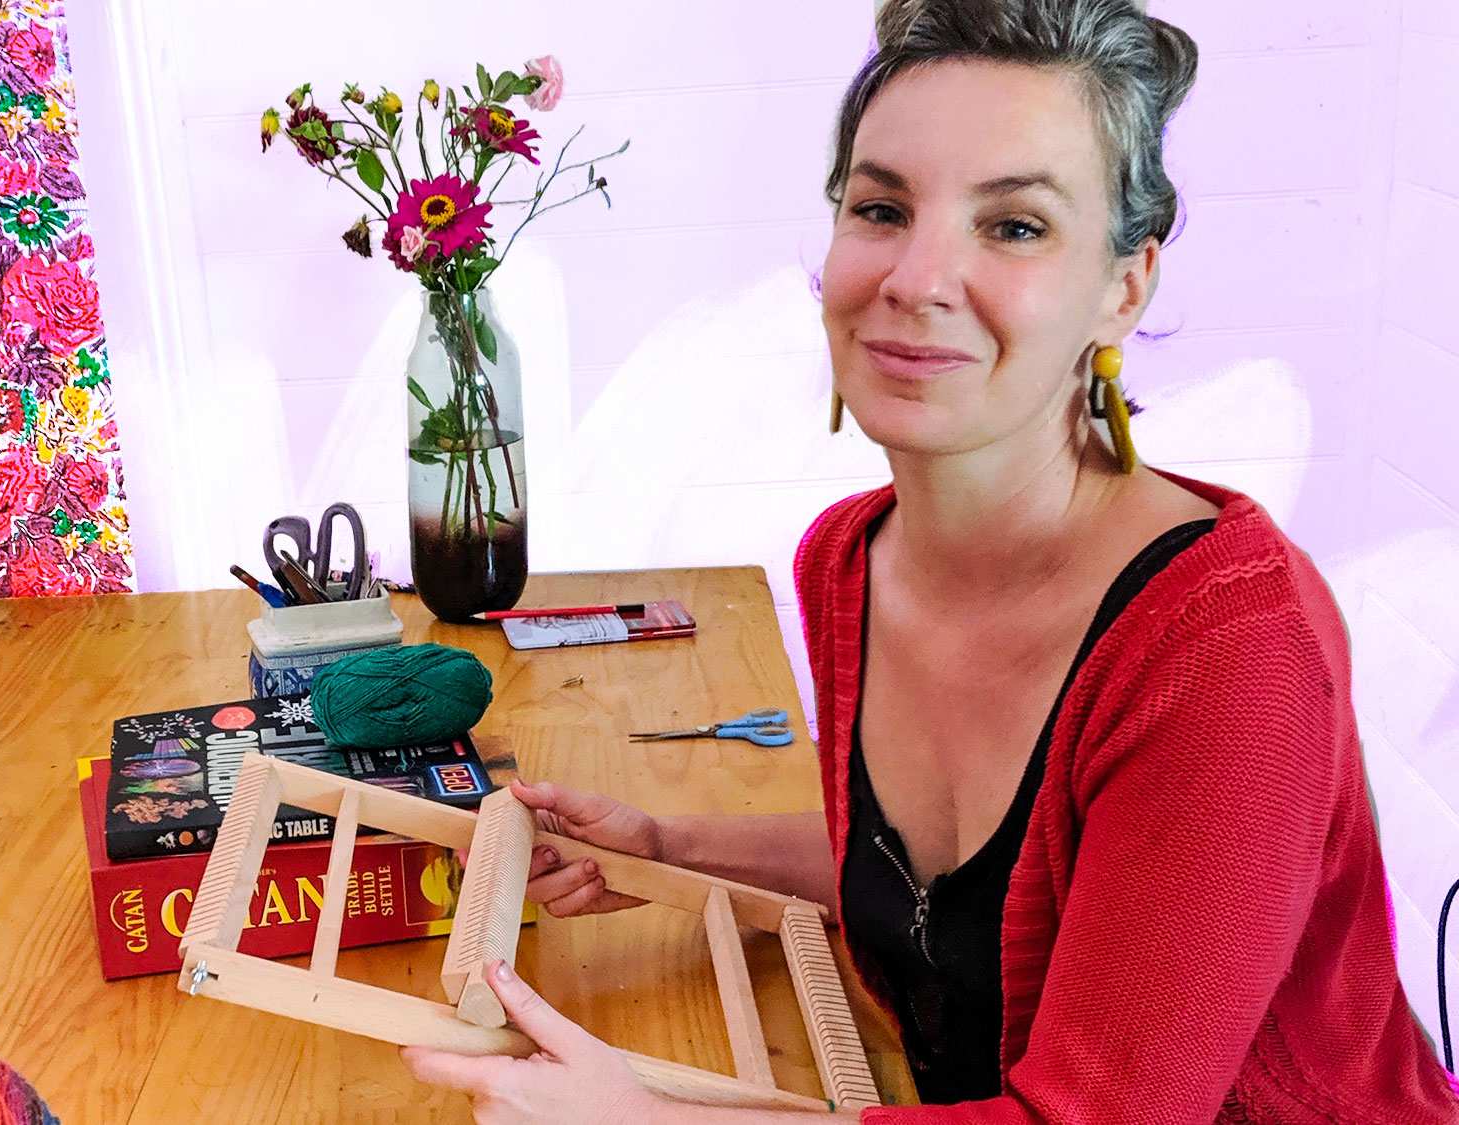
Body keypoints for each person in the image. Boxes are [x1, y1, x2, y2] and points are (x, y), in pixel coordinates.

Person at [400, 0, 1459, 1120]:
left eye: (1012, 226)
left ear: (1122, 285)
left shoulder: (1229, 655)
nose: (913, 276)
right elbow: (943, 886)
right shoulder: (845, 561)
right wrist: (666, 845)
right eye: (879, 207)